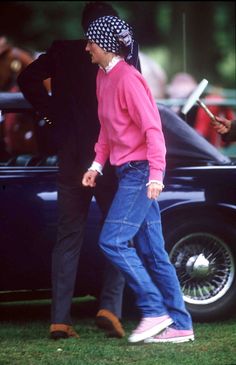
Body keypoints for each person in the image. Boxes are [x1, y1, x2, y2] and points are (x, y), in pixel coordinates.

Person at [17, 1, 141, 341]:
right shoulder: (121, 57)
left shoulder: (63, 51)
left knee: (68, 237)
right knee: (119, 233)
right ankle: (110, 308)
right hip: (110, 160)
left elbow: (26, 77)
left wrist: (51, 112)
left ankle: (60, 319)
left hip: (71, 158)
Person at [82, 15, 194, 344]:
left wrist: (156, 176)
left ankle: (154, 309)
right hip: (124, 170)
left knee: (112, 241)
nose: (86, 47)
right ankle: (181, 324)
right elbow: (107, 127)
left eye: (90, 42)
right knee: (154, 253)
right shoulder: (102, 77)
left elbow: (153, 130)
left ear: (104, 45)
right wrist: (97, 165)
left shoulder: (129, 79)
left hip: (141, 172)